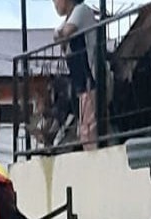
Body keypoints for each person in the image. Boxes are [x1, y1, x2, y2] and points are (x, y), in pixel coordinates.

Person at [54, 0, 98, 149]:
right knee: (84, 124)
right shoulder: (69, 18)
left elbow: (65, 32)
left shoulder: (81, 10)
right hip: (82, 80)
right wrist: (61, 35)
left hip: (92, 77)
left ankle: (93, 156)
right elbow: (58, 35)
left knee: (88, 126)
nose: (54, 3)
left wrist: (62, 35)